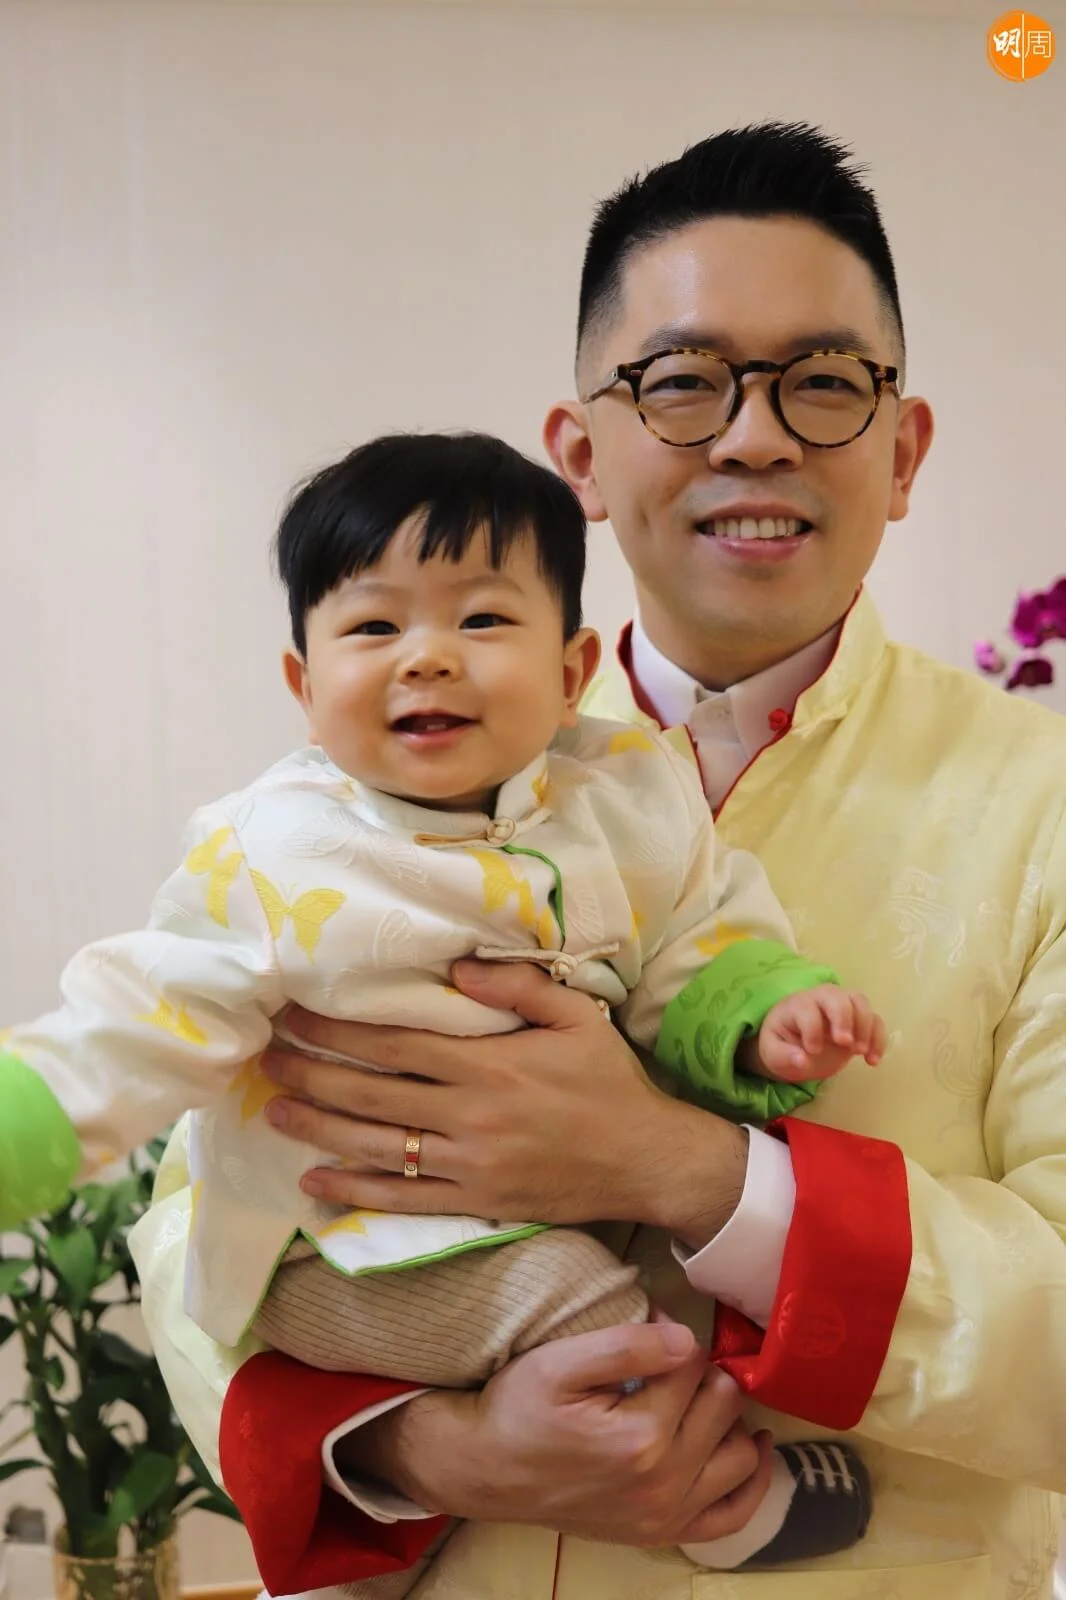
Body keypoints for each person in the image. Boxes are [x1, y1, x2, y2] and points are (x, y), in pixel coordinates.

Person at [128, 121, 1066, 1600]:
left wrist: (687, 1171)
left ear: (902, 452)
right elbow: (199, 1219)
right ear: (578, 454)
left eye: (825, 382)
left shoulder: (1043, 806)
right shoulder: (349, 803)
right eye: (683, 382)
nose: (753, 438)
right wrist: (426, 1448)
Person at [0, 430, 886, 1587]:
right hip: (337, 1249)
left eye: (479, 619)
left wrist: (762, 1014)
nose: (426, 657)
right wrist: (26, 1119)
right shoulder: (276, 852)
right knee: (593, 1314)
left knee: (602, 1291)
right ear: (303, 687)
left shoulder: (628, 799)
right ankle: (724, 1504)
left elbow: (696, 942)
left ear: (569, 671)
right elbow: (141, 1016)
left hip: (506, 1235)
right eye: (374, 628)